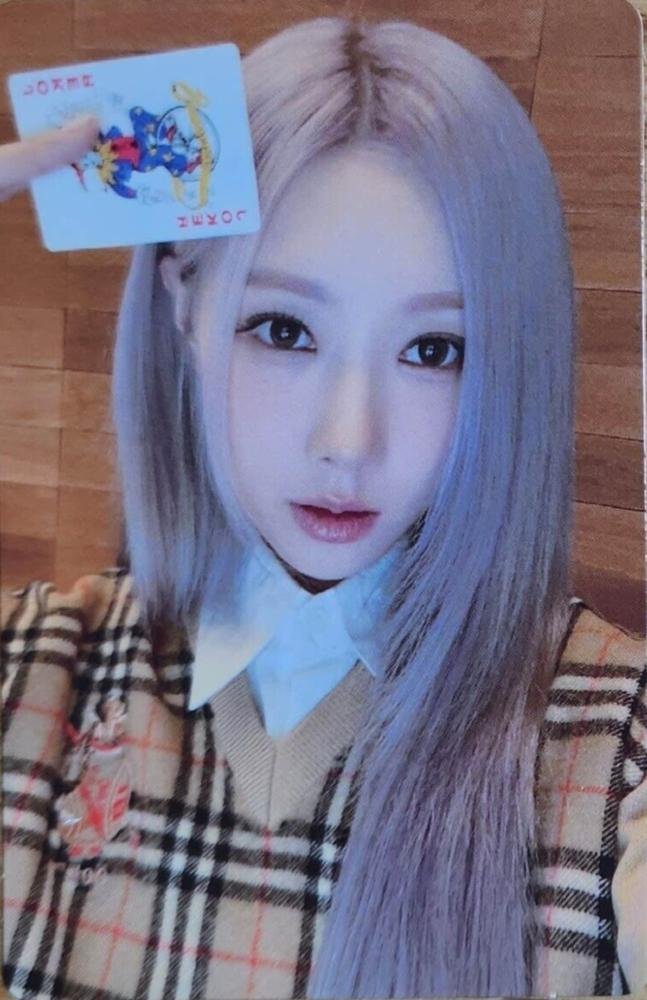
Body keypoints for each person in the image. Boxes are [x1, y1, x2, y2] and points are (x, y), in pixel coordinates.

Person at [1, 15, 645, 1000]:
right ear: (185, 305)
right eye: (282, 329)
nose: (349, 440)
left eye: (433, 350)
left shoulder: (610, 738)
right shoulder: (32, 670)